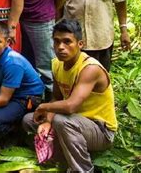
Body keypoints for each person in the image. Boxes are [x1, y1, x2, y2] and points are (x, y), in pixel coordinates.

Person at [22, 19, 117, 172]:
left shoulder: (90, 68)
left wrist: (43, 106)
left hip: (101, 130)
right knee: (30, 120)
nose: (61, 47)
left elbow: (71, 106)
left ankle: (83, 169)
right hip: (74, 123)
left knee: (61, 121)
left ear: (80, 44)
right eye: (57, 42)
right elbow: (57, 98)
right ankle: (59, 157)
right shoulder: (57, 64)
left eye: (67, 42)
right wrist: (47, 121)